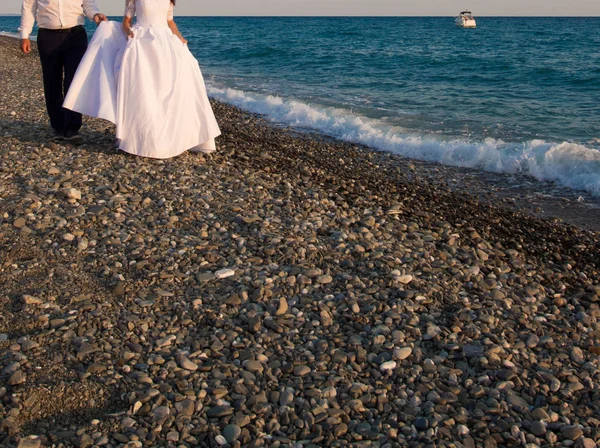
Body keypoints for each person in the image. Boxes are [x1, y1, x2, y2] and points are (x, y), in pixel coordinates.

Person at [63, 0, 221, 159]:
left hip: (165, 42)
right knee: (143, 91)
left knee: (171, 87)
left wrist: (180, 38)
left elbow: (169, 21)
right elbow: (127, 21)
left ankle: (174, 136)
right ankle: (143, 140)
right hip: (141, 43)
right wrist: (129, 33)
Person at [19, 0, 107, 142]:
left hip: (75, 35)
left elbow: (88, 4)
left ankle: (72, 128)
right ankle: (59, 127)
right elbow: (28, 7)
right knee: (51, 81)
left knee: (74, 82)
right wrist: (24, 35)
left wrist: (95, 15)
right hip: (48, 36)